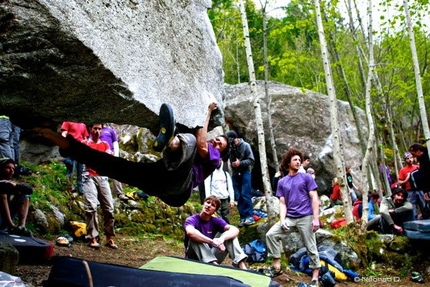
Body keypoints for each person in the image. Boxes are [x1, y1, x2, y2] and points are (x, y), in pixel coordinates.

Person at [33, 102, 229, 207]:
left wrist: (208, 111)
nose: (215, 141)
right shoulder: (196, 159)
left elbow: (201, 144)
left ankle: (171, 140)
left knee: (191, 140)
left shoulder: (214, 158)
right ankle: (47, 133)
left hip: (180, 185)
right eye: (217, 139)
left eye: (219, 143)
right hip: (162, 184)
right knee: (110, 165)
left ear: (221, 152)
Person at [266, 147, 320, 286]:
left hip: (306, 217)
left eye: (299, 160)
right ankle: (277, 267)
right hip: (290, 217)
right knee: (271, 234)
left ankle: (315, 278)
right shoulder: (282, 182)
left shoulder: (306, 177)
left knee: (311, 246)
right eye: (294, 159)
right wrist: (282, 220)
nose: (298, 162)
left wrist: (316, 218)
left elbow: (314, 198)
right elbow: (282, 203)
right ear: (288, 163)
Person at [184, 195, 247, 269]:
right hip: (194, 258)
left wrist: (221, 239)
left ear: (214, 211)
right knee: (195, 236)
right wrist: (211, 242)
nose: (209, 206)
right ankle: (213, 265)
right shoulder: (191, 219)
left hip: (211, 256)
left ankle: (241, 265)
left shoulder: (215, 221)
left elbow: (235, 230)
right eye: (208, 202)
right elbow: (190, 232)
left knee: (229, 234)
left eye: (213, 205)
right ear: (203, 204)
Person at [81, 123, 117, 249]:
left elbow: (110, 158)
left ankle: (109, 238)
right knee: (91, 206)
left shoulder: (105, 144)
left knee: (109, 207)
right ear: (90, 129)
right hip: (88, 176)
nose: (97, 131)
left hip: (103, 177)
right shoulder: (85, 144)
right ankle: (93, 237)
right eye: (95, 128)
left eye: (99, 129)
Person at [227, 130, 255, 227]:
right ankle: (243, 218)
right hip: (235, 173)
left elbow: (251, 160)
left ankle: (249, 217)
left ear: (236, 138)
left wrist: (240, 163)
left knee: (245, 194)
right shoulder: (231, 148)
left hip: (245, 172)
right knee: (238, 196)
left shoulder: (245, 145)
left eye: (232, 140)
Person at [0, 158, 32, 237]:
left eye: (13, 169)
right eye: (8, 168)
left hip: (3, 218)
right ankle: (11, 225)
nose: (11, 171)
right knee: (2, 195)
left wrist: (16, 186)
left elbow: (29, 190)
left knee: (25, 196)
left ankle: (21, 227)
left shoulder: (8, 183)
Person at [98, 124, 130, 202]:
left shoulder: (110, 130)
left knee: (116, 175)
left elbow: (115, 143)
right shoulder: (96, 130)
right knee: (100, 176)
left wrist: (116, 155)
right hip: (100, 156)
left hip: (111, 155)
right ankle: (101, 195)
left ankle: (119, 193)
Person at [61, 121, 89, 194]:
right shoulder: (68, 121)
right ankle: (70, 186)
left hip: (80, 149)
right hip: (71, 147)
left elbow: (85, 137)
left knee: (80, 170)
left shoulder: (83, 124)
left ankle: (80, 189)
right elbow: (64, 133)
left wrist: (85, 142)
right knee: (71, 168)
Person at [398, 152, 423, 220]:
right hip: (410, 191)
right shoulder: (403, 170)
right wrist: (406, 180)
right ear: (405, 160)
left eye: (411, 158)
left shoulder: (417, 167)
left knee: (424, 206)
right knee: (412, 209)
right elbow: (399, 182)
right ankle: (414, 224)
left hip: (420, 189)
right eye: (407, 158)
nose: (410, 160)